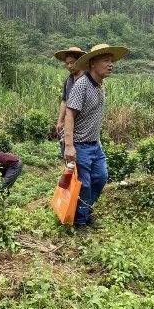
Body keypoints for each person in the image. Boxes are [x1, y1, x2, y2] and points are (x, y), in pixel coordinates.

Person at [62, 43, 128, 227]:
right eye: (106, 60)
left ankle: (83, 211)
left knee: (101, 177)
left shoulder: (100, 86)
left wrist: (98, 141)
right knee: (85, 185)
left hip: (95, 144)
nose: (111, 64)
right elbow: (70, 114)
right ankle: (80, 222)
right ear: (92, 63)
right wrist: (69, 146)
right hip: (80, 145)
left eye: (111, 61)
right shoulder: (81, 85)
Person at [54, 46, 85, 156]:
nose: (70, 66)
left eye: (72, 62)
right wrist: (60, 120)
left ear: (80, 61)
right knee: (68, 157)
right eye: (67, 63)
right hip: (69, 123)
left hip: (83, 126)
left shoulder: (87, 79)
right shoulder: (69, 81)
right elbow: (64, 101)